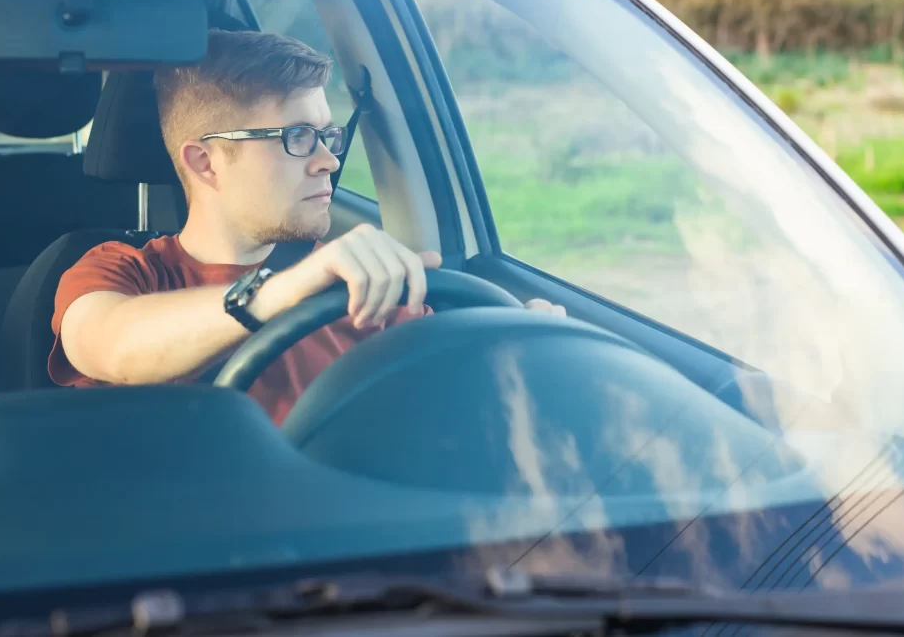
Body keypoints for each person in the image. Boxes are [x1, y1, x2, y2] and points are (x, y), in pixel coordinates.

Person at [48, 30, 564, 424]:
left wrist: (520, 353)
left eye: (327, 135)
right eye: (297, 136)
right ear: (205, 162)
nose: (327, 162)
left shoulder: (360, 290)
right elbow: (112, 346)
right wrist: (281, 294)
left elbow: (443, 401)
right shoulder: (121, 271)